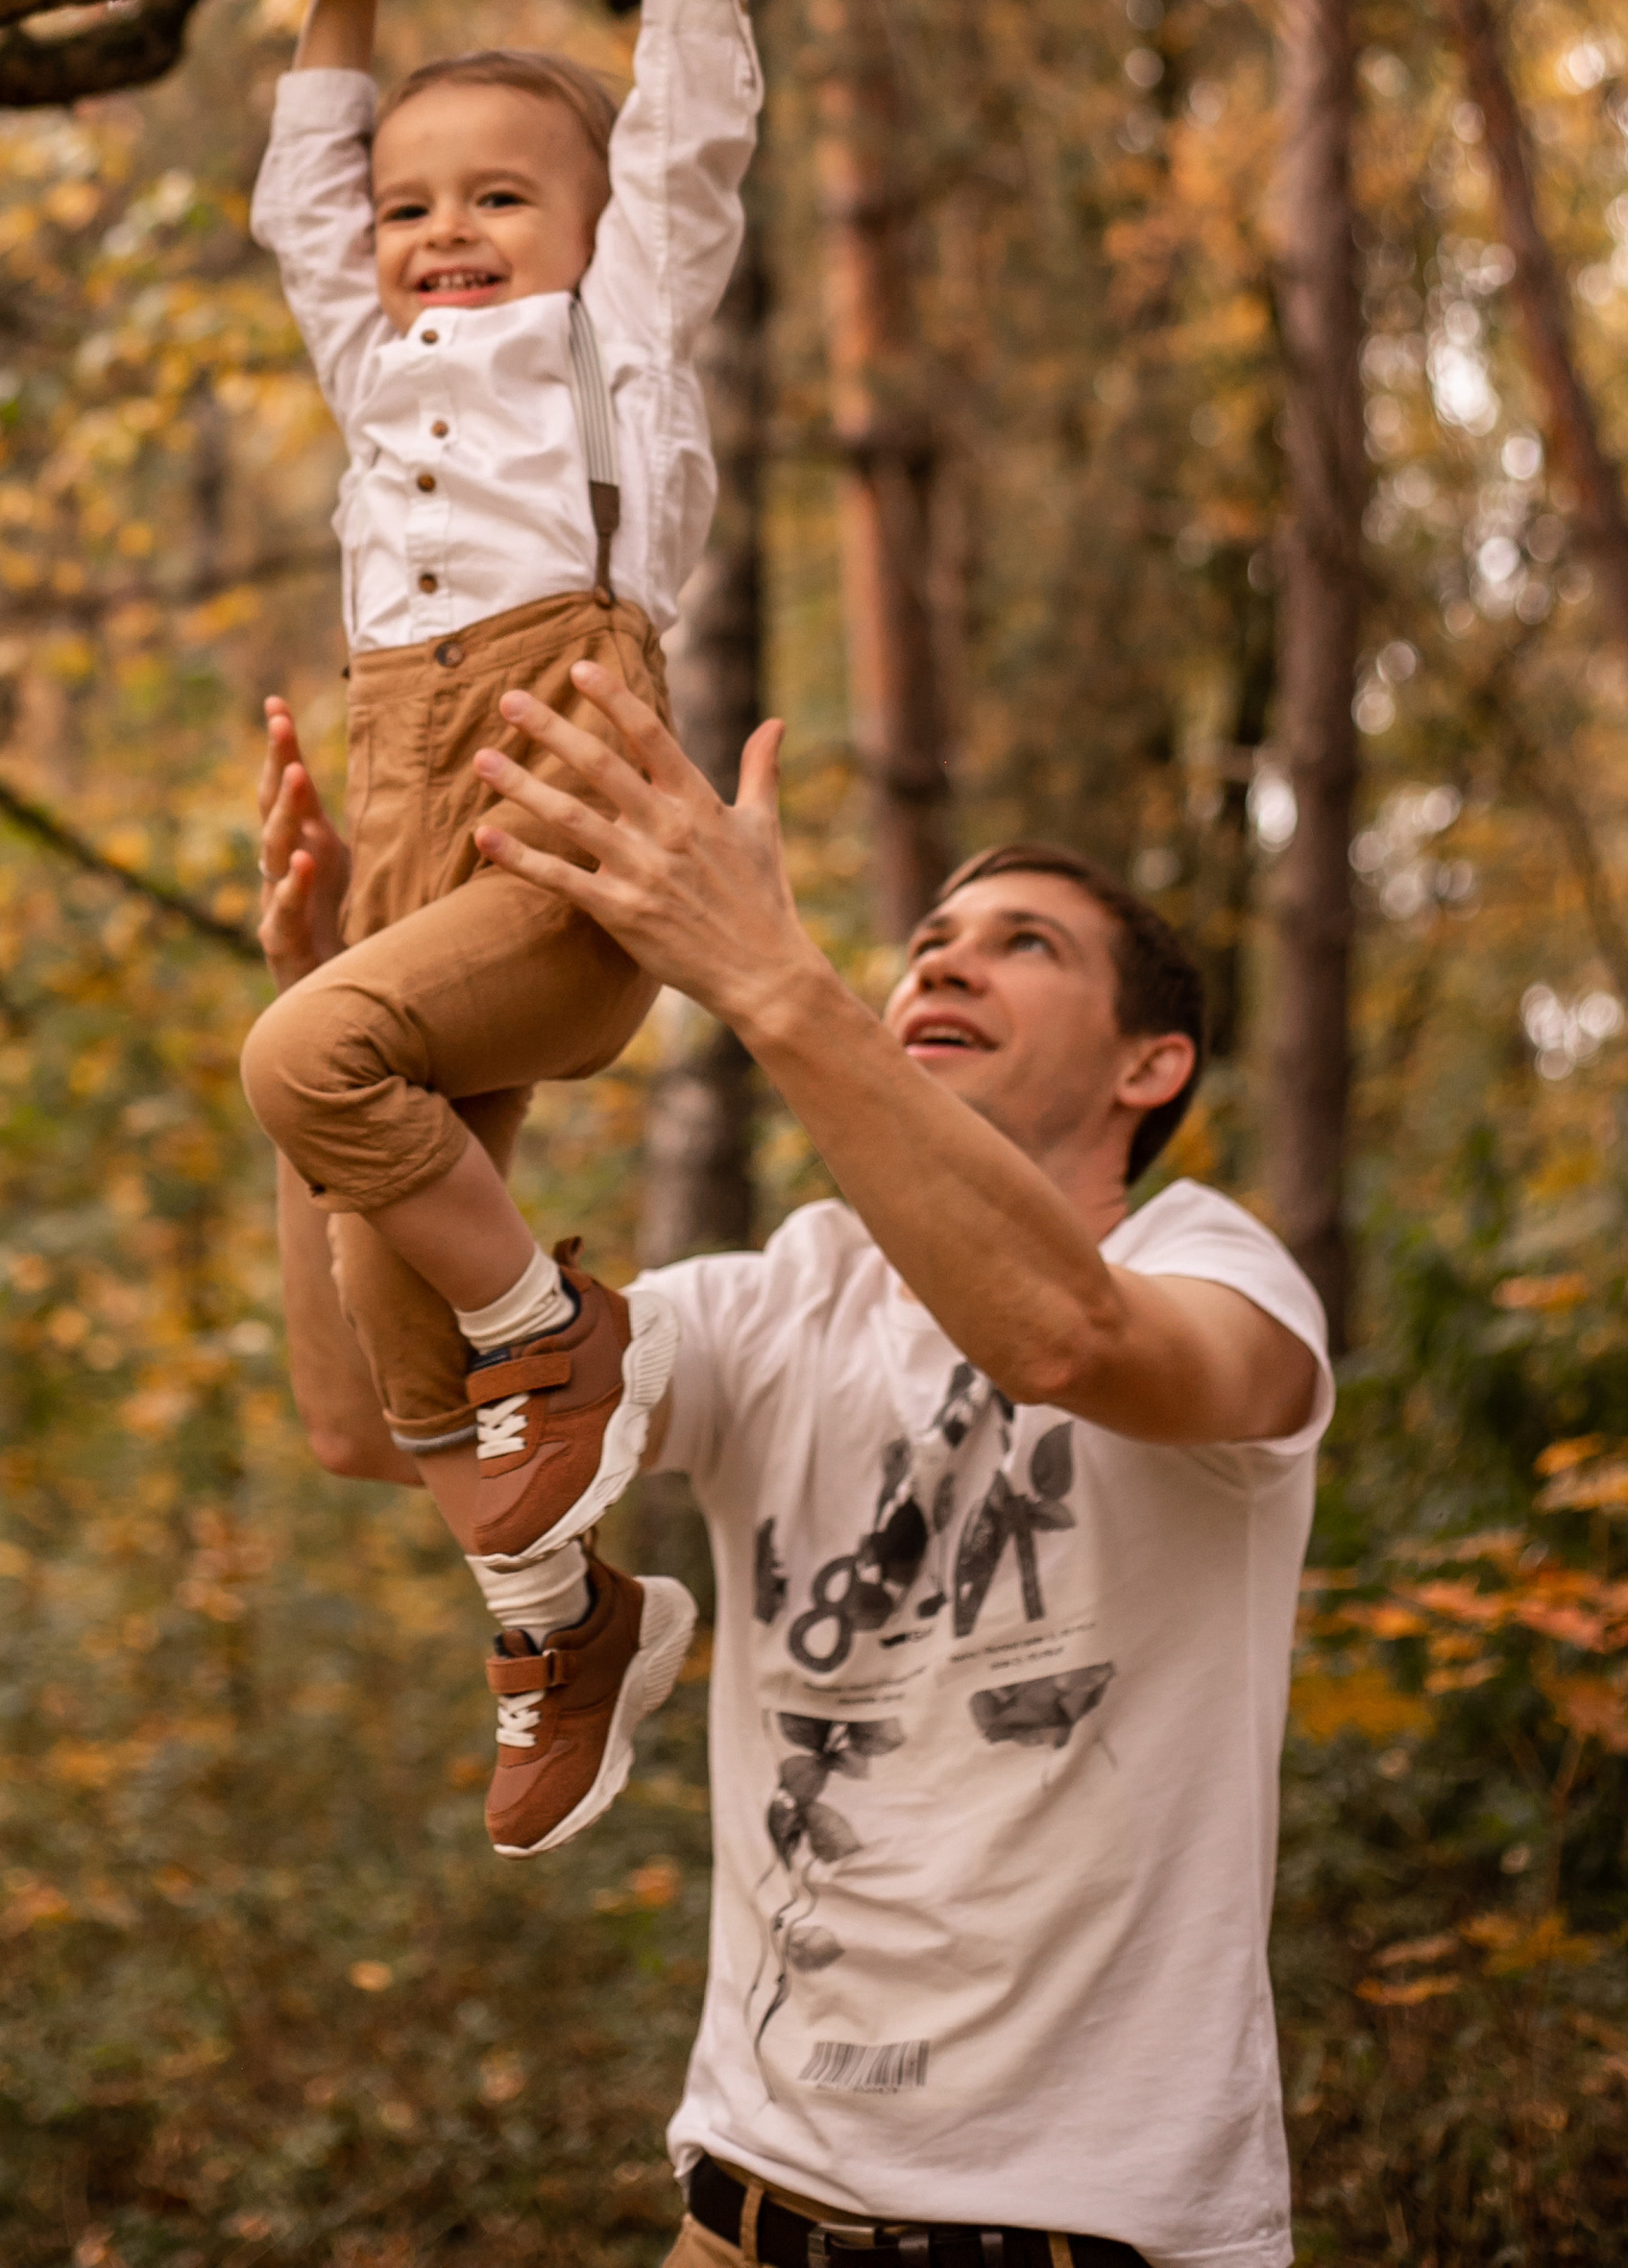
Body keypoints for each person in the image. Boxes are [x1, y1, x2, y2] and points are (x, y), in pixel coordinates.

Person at [257, 660, 1331, 2268]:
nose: (950, 961)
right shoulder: (786, 1299)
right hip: (741, 2218)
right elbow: (366, 1423)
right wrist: (337, 1067)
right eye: (930, 946)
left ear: (1148, 1067)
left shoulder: (1223, 1275)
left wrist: (769, 975)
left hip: (1083, 2235)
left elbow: (1067, 1342)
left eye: (1023, 945)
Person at [243, 0, 762, 1856]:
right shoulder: (369, 373)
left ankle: (560, 1333)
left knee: (300, 1059)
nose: (439, 231)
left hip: (560, 811)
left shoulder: (614, 338)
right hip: (404, 822)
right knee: (395, 1367)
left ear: (590, 231)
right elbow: (304, 196)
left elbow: (696, 123)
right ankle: (568, 1629)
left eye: (496, 196)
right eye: (410, 203)